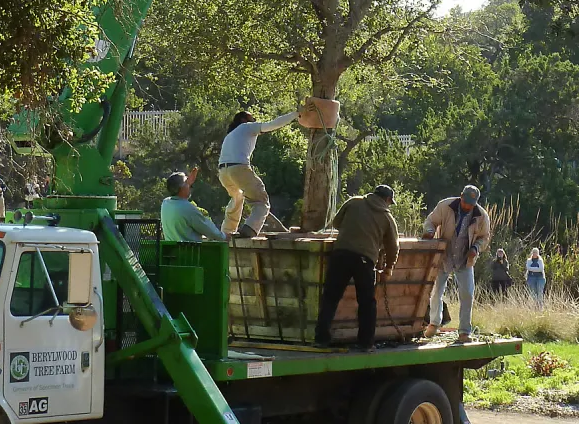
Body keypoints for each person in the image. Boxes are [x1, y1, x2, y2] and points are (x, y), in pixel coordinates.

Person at [314, 185, 399, 352]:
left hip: (341, 255)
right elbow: (393, 247)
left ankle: (321, 339)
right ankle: (366, 343)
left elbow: (337, 223)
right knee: (367, 303)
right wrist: (389, 267)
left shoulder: (353, 202)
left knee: (330, 298)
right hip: (365, 260)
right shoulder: (387, 217)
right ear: (388, 200)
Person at [422, 184, 491, 344]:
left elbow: (485, 237)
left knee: (467, 294)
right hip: (444, 255)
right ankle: (434, 323)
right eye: (466, 202)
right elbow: (430, 221)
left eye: (471, 204)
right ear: (461, 196)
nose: (468, 206)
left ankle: (464, 332)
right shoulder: (445, 205)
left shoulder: (481, 215)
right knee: (436, 291)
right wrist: (430, 232)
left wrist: (475, 247)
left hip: (464, 259)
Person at [218, 107, 298, 237]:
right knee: (262, 202)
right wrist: (296, 114)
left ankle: (226, 232)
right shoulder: (246, 127)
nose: (255, 120)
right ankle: (249, 231)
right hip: (238, 168)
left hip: (223, 172)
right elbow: (273, 124)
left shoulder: (230, 135)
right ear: (244, 120)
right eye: (252, 118)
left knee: (237, 198)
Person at [160, 168, 227, 243]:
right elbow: (207, 229)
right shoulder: (187, 208)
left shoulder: (165, 203)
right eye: (186, 182)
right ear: (181, 187)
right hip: (189, 253)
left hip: (172, 253)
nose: (189, 185)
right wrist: (224, 236)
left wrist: (187, 182)